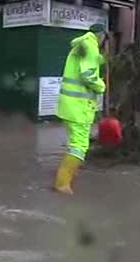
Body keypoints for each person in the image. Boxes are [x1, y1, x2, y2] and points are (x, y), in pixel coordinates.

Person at [53, 24, 107, 195]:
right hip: (79, 108)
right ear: (101, 35)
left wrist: (102, 60)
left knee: (74, 143)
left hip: (69, 106)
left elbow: (85, 65)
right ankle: (62, 184)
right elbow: (88, 75)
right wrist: (101, 86)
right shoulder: (90, 46)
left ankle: (68, 175)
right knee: (80, 145)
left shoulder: (81, 45)